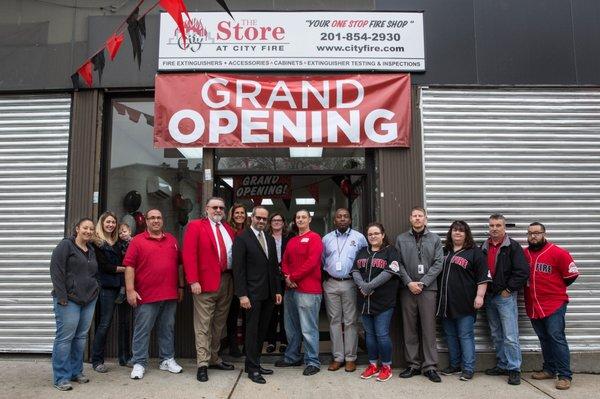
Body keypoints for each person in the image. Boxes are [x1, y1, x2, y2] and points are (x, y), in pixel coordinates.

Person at [124, 209, 184, 380]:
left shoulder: (172, 240)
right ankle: (139, 362)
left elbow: (179, 265)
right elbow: (129, 267)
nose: (156, 221)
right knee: (142, 330)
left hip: (170, 293)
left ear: (162, 220)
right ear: (146, 221)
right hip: (146, 295)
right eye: (152, 218)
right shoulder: (137, 241)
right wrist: (130, 290)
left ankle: (166, 359)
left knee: (167, 329)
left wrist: (181, 287)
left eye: (159, 217)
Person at [183, 197, 236, 382]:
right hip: (204, 284)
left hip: (227, 281)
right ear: (207, 209)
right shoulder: (196, 226)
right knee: (203, 326)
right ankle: (202, 364)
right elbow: (189, 255)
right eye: (215, 207)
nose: (218, 210)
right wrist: (193, 280)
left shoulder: (228, 229)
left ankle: (214, 358)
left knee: (219, 326)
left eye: (221, 207)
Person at [524, 222, 579, 390]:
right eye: (530, 233)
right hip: (533, 304)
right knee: (544, 338)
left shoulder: (558, 253)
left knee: (556, 337)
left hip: (554, 303)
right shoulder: (524, 253)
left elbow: (571, 276)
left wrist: (554, 289)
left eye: (537, 233)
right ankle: (549, 369)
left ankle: (564, 375)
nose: (534, 236)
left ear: (544, 234)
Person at [232, 206, 283, 384]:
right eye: (258, 218)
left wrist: (277, 290)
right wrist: (242, 295)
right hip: (251, 295)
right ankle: (252, 369)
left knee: (262, 331)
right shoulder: (242, 238)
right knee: (252, 332)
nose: (261, 221)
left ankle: (254, 363)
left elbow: (274, 268)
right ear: (251, 218)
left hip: (269, 294)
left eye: (264, 219)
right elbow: (238, 270)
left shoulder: (269, 238)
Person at [437, 221, 491, 381]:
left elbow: (483, 277)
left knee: (465, 335)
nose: (458, 233)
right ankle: (454, 365)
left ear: (466, 234)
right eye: (455, 230)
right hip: (445, 303)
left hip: (465, 302)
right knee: (450, 335)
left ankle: (468, 368)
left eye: (461, 231)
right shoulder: (444, 251)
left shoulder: (475, 252)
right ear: (450, 233)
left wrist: (480, 296)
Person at [50, 218, 100, 391]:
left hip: (88, 300)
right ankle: (61, 377)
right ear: (77, 228)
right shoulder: (66, 246)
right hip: (68, 299)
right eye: (85, 228)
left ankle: (75, 372)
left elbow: (93, 274)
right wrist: (62, 296)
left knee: (80, 338)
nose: (88, 231)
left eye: (91, 229)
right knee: (65, 338)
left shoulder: (91, 250)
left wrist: (95, 291)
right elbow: (56, 270)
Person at [395, 206, 443, 382]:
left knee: (428, 328)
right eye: (414, 215)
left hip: (428, 290)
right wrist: (408, 282)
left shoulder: (435, 239)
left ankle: (430, 366)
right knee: (409, 328)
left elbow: (438, 263)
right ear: (410, 218)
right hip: (407, 289)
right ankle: (413, 365)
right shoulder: (401, 239)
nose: (417, 218)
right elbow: (397, 263)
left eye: (420, 216)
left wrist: (423, 283)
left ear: (425, 219)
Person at [481, 213, 529, 385]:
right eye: (492, 225)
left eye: (498, 225)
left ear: (504, 227)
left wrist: (508, 290)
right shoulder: (484, 246)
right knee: (496, 333)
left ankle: (514, 368)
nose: (494, 228)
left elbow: (522, 271)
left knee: (510, 334)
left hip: (505, 297)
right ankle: (502, 364)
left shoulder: (513, 247)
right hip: (489, 296)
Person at [275, 209, 324, 376]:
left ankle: (313, 361)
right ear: (295, 221)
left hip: (308, 290)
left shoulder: (315, 238)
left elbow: (312, 262)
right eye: (298, 217)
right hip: (290, 290)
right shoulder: (292, 240)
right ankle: (292, 357)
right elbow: (285, 261)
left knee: (308, 328)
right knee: (291, 327)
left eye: (304, 217)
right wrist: (287, 276)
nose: (301, 219)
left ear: (309, 219)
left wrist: (293, 276)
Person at [352, 222, 401, 382]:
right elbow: (355, 271)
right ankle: (373, 365)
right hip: (365, 301)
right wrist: (363, 286)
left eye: (376, 233)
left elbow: (390, 271)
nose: (373, 236)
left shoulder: (390, 251)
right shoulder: (361, 252)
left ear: (383, 235)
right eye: (370, 234)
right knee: (369, 335)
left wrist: (369, 286)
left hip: (384, 301)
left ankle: (386, 366)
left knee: (382, 334)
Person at [321, 208, 367, 372]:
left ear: (349, 220)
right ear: (334, 220)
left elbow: (365, 259)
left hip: (350, 283)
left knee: (350, 321)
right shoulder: (326, 239)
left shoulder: (359, 238)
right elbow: (322, 260)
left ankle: (350, 358)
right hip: (331, 283)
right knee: (334, 321)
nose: (342, 219)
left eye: (345, 216)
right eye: (339, 216)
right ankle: (338, 357)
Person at [90, 212, 131, 373]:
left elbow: (129, 257)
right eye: (108, 222)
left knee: (125, 323)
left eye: (113, 222)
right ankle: (97, 360)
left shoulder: (119, 242)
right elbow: (103, 266)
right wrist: (124, 269)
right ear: (102, 223)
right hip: (107, 287)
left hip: (123, 285)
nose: (111, 225)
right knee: (105, 323)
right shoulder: (96, 243)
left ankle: (124, 358)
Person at [224, 203, 249, 358]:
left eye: (242, 212)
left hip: (247, 277)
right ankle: (233, 346)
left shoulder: (248, 231)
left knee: (248, 314)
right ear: (232, 215)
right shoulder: (227, 230)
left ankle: (247, 346)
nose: (239, 215)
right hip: (231, 276)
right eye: (236, 212)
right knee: (232, 314)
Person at [265, 212, 291, 354]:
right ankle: (271, 341)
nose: (276, 222)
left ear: (283, 222)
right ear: (270, 223)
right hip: (271, 278)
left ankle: (284, 341)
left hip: (286, 278)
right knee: (272, 311)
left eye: (279, 220)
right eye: (274, 220)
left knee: (285, 311)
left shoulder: (289, 238)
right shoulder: (265, 238)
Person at [115, 223, 133, 305]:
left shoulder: (134, 241)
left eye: (124, 232)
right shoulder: (120, 244)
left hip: (132, 264)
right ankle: (122, 292)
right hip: (124, 264)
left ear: (129, 232)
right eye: (120, 233)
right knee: (123, 277)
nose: (122, 234)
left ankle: (123, 292)